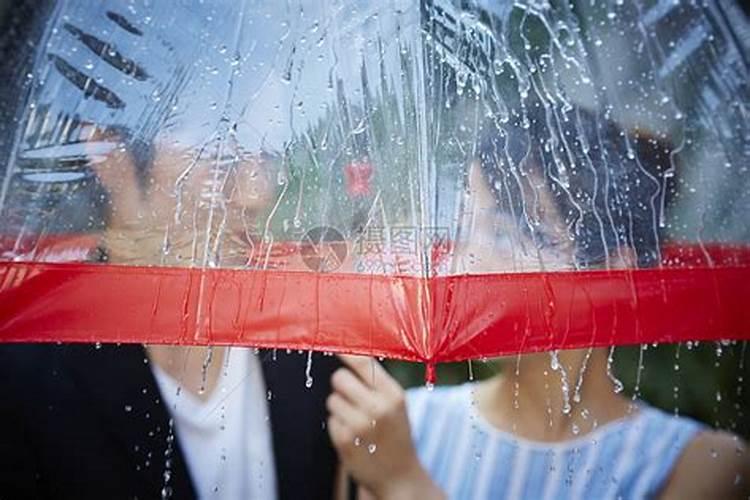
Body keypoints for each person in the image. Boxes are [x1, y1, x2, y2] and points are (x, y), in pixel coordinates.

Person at [327, 107, 750, 499]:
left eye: (506, 234)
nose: (467, 264)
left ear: (612, 272)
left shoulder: (698, 466)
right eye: (465, 229)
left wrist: (406, 484)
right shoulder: (405, 428)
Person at [0, 10, 340, 499]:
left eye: (264, 151)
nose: (257, 194)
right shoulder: (30, 382)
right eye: (222, 154)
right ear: (109, 150)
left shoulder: (308, 346)